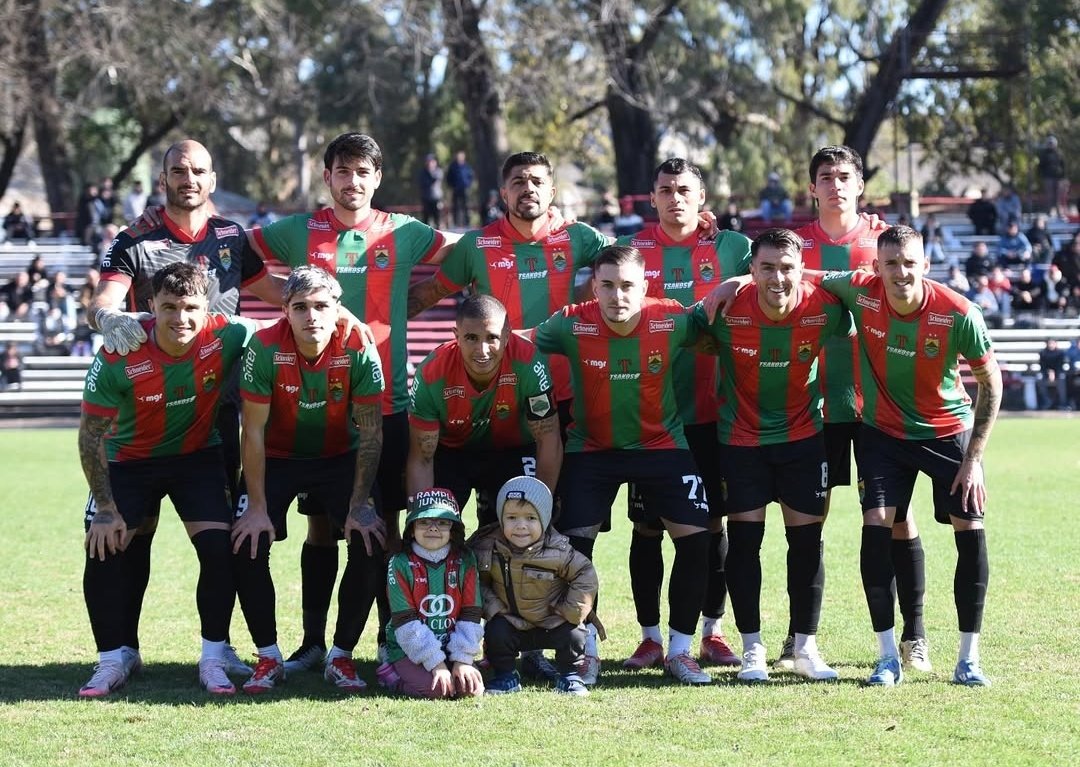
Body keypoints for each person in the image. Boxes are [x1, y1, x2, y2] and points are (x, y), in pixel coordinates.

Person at [246, 132, 457, 675]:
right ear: (328, 177)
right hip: (320, 410)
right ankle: (314, 643)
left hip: (386, 401)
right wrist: (279, 299)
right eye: (343, 171)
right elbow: (239, 252)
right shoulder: (300, 230)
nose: (353, 181)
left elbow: (465, 251)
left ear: (377, 178)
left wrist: (428, 295)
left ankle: (391, 642)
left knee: (380, 525)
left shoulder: (404, 232)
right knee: (321, 530)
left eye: (363, 172)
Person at [88, 139, 286, 679]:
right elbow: (104, 299)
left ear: (213, 179)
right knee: (132, 540)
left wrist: (331, 300)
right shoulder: (134, 239)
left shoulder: (230, 236)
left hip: (215, 416)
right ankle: (122, 651)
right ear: (164, 179)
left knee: (217, 543)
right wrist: (109, 321)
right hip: (144, 410)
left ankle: (215, 649)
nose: (189, 179)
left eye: (199, 170)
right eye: (179, 170)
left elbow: (272, 289)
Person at [813, 225, 1002, 687]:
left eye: (909, 263)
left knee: (969, 525)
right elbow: (808, 273)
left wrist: (973, 459)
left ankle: (968, 658)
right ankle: (886, 656)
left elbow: (990, 383)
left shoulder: (959, 313)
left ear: (926, 265)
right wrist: (736, 281)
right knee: (875, 521)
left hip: (946, 433)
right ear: (875, 266)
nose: (901, 272)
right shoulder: (862, 291)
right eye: (891, 263)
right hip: (882, 434)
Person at [531, 244, 714, 686]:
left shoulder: (671, 318)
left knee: (696, 541)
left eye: (627, 285)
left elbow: (714, 329)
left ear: (645, 285)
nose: (617, 296)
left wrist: (733, 284)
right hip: (591, 450)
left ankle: (680, 651)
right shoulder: (571, 323)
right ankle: (584, 652)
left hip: (662, 446)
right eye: (607, 286)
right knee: (574, 552)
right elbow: (520, 340)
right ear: (594, 287)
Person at [77, 262, 259, 697]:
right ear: (151, 307)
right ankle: (112, 659)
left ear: (208, 307)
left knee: (220, 548)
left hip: (196, 458)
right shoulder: (120, 351)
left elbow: (281, 324)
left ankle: (213, 657)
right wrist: (104, 509)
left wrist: (345, 317)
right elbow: (90, 436)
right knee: (106, 547)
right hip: (128, 462)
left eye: (191, 307)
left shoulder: (227, 334)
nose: (181, 318)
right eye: (169, 307)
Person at [791, 145, 928, 674]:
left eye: (844, 176)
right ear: (812, 188)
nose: (835, 184)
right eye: (825, 176)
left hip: (878, 408)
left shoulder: (882, 239)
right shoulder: (793, 246)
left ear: (860, 184)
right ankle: (800, 636)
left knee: (897, 518)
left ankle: (914, 635)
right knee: (808, 521)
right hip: (811, 403)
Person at [615, 158, 750, 671]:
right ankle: (650, 637)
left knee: (712, 525)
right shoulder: (635, 252)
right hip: (653, 415)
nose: (675, 198)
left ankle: (713, 632)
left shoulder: (732, 247)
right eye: (666, 190)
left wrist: (731, 283)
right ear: (651, 198)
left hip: (719, 411)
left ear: (702, 196)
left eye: (685, 190)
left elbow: (779, 267)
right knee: (647, 528)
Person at [701, 228, 851, 682]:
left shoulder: (824, 308)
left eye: (787, 268)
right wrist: (725, 286)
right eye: (766, 268)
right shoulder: (725, 310)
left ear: (801, 271)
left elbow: (869, 290)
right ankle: (753, 650)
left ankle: (805, 647)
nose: (777, 278)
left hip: (804, 440)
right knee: (746, 543)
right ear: (752, 269)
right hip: (741, 442)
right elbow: (674, 326)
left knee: (806, 544)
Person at [230, 266, 385, 694]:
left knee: (371, 539)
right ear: (285, 311)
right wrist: (257, 508)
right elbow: (254, 432)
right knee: (246, 539)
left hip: (340, 457)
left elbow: (371, 432)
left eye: (321, 306)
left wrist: (358, 505)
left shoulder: (357, 345)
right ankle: (267, 657)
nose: (311, 316)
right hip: (277, 457)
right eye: (300, 307)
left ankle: (342, 655)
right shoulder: (262, 348)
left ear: (338, 309)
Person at [406, 294, 561, 524]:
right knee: (436, 530)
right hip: (452, 455)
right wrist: (419, 522)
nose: (483, 349)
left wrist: (540, 509)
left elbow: (548, 440)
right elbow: (422, 458)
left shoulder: (528, 361)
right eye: (471, 338)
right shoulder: (432, 373)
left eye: (492, 337)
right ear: (456, 336)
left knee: (522, 530)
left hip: (513, 451)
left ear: (507, 335)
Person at [470, 476, 598, 696]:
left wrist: (571, 610)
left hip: (552, 620)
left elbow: (585, 573)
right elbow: (473, 578)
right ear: (501, 518)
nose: (521, 526)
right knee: (495, 631)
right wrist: (492, 606)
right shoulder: (487, 546)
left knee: (574, 634)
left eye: (530, 518)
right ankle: (505, 675)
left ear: (545, 519)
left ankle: (569, 676)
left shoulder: (559, 549)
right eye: (511, 517)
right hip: (511, 621)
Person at [380, 488, 484, 698]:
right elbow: (406, 623)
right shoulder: (399, 563)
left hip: (450, 645)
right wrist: (437, 665)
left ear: (453, 529)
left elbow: (471, 614)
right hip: (408, 648)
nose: (434, 528)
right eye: (424, 522)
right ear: (411, 529)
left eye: (443, 522)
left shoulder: (466, 559)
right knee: (439, 690)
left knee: (470, 690)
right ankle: (390, 676)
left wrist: (462, 660)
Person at [1037, 136, 1067, 217]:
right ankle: (1049, 211)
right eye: (1049, 143)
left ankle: (1059, 212)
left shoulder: (1059, 153)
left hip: (1058, 177)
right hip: (1048, 177)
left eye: (1052, 143)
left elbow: (1063, 165)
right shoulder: (1044, 154)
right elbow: (1040, 166)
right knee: (1049, 195)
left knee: (1058, 195)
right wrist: (1042, 176)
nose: (1051, 145)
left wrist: (1063, 176)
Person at [1036, 338, 1067, 410]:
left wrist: (1054, 373)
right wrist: (1049, 372)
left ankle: (1063, 402)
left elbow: (1060, 365)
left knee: (1062, 378)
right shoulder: (1043, 353)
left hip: (1058, 373)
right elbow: (1042, 365)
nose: (1051, 345)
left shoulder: (1060, 353)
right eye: (1049, 343)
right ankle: (1046, 401)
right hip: (1046, 373)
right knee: (1039, 378)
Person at [446, 150, 475, 228]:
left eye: (461, 156)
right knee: (455, 206)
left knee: (465, 206)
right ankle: (455, 223)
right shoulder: (453, 166)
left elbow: (471, 176)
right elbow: (448, 178)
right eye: (459, 156)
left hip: (465, 189)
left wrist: (468, 184)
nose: (460, 158)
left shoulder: (467, 166)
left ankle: (467, 223)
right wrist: (452, 186)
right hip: (455, 189)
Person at [417, 153, 444, 229]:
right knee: (426, 219)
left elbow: (434, 179)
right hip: (426, 198)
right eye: (428, 162)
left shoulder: (438, 171)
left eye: (431, 161)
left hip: (436, 198)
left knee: (437, 219)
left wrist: (430, 171)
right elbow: (423, 183)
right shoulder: (423, 172)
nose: (430, 164)